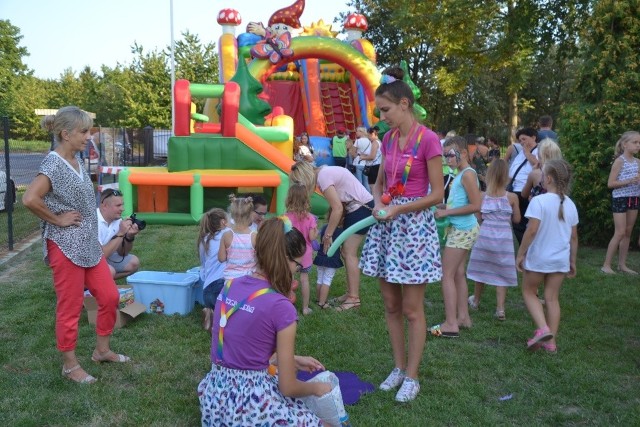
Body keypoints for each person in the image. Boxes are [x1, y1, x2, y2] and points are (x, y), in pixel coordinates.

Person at [23, 106, 129, 385]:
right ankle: (70, 366)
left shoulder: (76, 160)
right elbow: (30, 199)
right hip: (65, 245)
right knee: (69, 307)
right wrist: (57, 220)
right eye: (83, 131)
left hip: (89, 245)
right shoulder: (53, 163)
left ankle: (101, 351)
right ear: (65, 133)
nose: (88, 136)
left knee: (109, 297)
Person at [359, 66, 444, 403]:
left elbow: (437, 194)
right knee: (391, 305)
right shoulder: (391, 139)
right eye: (380, 111)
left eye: (386, 110)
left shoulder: (429, 139)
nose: (382, 117)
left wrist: (398, 209)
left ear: (405, 104)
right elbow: (381, 179)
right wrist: (378, 201)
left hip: (413, 230)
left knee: (412, 309)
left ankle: (413, 376)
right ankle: (397, 368)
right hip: (388, 225)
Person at [197, 217, 334, 425]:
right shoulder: (281, 307)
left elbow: (240, 350)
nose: (296, 270)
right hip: (250, 405)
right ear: (285, 259)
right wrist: (316, 389)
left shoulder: (228, 287)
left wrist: (291, 359)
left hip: (216, 399)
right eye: (297, 264)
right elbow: (288, 387)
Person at [289, 160, 373, 312]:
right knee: (346, 252)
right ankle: (350, 293)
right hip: (355, 209)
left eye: (298, 182)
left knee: (349, 253)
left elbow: (337, 208)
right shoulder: (323, 173)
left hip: (361, 209)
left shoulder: (323, 177)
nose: (300, 187)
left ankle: (354, 298)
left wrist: (328, 235)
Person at [516, 159, 578, 353]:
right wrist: (572, 261)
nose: (541, 178)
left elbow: (531, 230)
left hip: (539, 258)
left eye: (543, 175)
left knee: (528, 291)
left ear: (549, 179)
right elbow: (574, 237)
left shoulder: (538, 201)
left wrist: (521, 253)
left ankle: (543, 329)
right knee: (551, 298)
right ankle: (551, 343)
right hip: (560, 260)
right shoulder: (570, 204)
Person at [430, 136, 481, 337]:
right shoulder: (460, 174)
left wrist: (447, 213)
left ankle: (451, 324)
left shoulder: (467, 174)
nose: (447, 160)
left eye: (451, 155)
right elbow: (462, 202)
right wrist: (444, 207)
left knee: (447, 274)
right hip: (460, 229)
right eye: (445, 156)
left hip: (462, 231)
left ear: (464, 153)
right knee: (458, 273)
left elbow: (476, 206)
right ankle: (463, 318)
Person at [467, 159, 521, 320]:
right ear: (506, 177)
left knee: (481, 268)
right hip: (504, 238)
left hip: (485, 236)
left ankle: (475, 300)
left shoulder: (482, 196)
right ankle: (500, 309)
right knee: (502, 272)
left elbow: (478, 216)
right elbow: (517, 219)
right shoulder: (511, 197)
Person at [601, 131, 640, 275]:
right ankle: (606, 265)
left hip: (634, 197)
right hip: (620, 198)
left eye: (639, 143)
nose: (638, 145)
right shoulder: (619, 161)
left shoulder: (638, 162)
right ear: (625, 144)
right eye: (635, 142)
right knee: (620, 232)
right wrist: (629, 181)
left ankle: (622, 265)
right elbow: (610, 184)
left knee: (628, 232)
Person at [285, 182, 318, 315]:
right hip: (305, 254)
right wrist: (316, 232)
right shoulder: (310, 218)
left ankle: (287, 306)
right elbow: (311, 237)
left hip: (290, 254)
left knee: (287, 279)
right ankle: (305, 308)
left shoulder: (286, 217)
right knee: (304, 280)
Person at [97, 189, 141, 279]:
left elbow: (123, 253)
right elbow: (100, 256)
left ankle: (104, 281)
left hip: (103, 258)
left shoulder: (118, 221)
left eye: (122, 204)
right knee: (110, 271)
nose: (123, 209)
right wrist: (121, 233)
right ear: (104, 206)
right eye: (118, 205)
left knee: (134, 263)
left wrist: (129, 236)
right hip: (88, 261)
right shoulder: (93, 221)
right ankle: (87, 284)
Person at [197, 208, 229, 330]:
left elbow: (203, 267)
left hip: (207, 292)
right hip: (221, 288)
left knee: (219, 308)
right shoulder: (228, 234)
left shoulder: (204, 241)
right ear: (223, 222)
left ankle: (210, 311)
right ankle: (218, 317)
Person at [508, 127, 539, 244]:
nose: (522, 142)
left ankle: (528, 248)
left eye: (524, 139)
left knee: (525, 221)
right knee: (517, 222)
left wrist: (527, 153)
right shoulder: (521, 153)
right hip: (514, 189)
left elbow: (538, 164)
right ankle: (524, 246)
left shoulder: (539, 150)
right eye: (520, 140)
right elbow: (512, 171)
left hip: (527, 190)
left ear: (533, 137)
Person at [313, 205, 345, 309]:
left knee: (320, 279)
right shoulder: (340, 231)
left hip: (321, 258)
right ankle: (322, 303)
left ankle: (318, 299)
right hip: (331, 260)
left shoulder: (324, 227)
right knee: (327, 280)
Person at [218, 195, 257, 279]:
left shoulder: (226, 235)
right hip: (249, 279)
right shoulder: (255, 236)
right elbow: (260, 259)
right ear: (251, 215)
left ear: (231, 215)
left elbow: (221, 258)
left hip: (230, 280)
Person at [352, 126, 373, 192]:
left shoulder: (357, 141)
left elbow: (353, 152)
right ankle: (369, 197)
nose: (356, 132)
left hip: (358, 162)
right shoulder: (369, 142)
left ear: (361, 132)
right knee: (366, 182)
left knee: (359, 182)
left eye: (357, 131)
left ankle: (361, 196)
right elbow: (370, 153)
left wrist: (356, 156)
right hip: (366, 163)